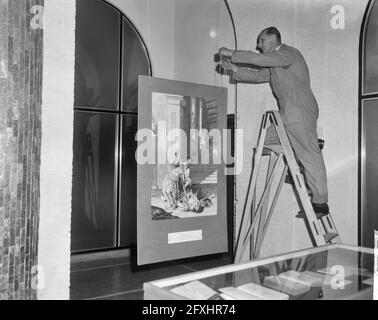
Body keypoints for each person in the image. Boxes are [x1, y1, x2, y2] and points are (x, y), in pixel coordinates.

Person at [218, 26, 329, 216]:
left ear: (272, 39)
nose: (258, 45)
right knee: (268, 140)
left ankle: (320, 203)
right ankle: (299, 164)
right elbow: (258, 75)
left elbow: (257, 60)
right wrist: (234, 69)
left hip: (299, 111)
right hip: (288, 113)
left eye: (261, 41)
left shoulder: (288, 54)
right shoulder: (278, 63)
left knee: (310, 155)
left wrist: (231, 53)